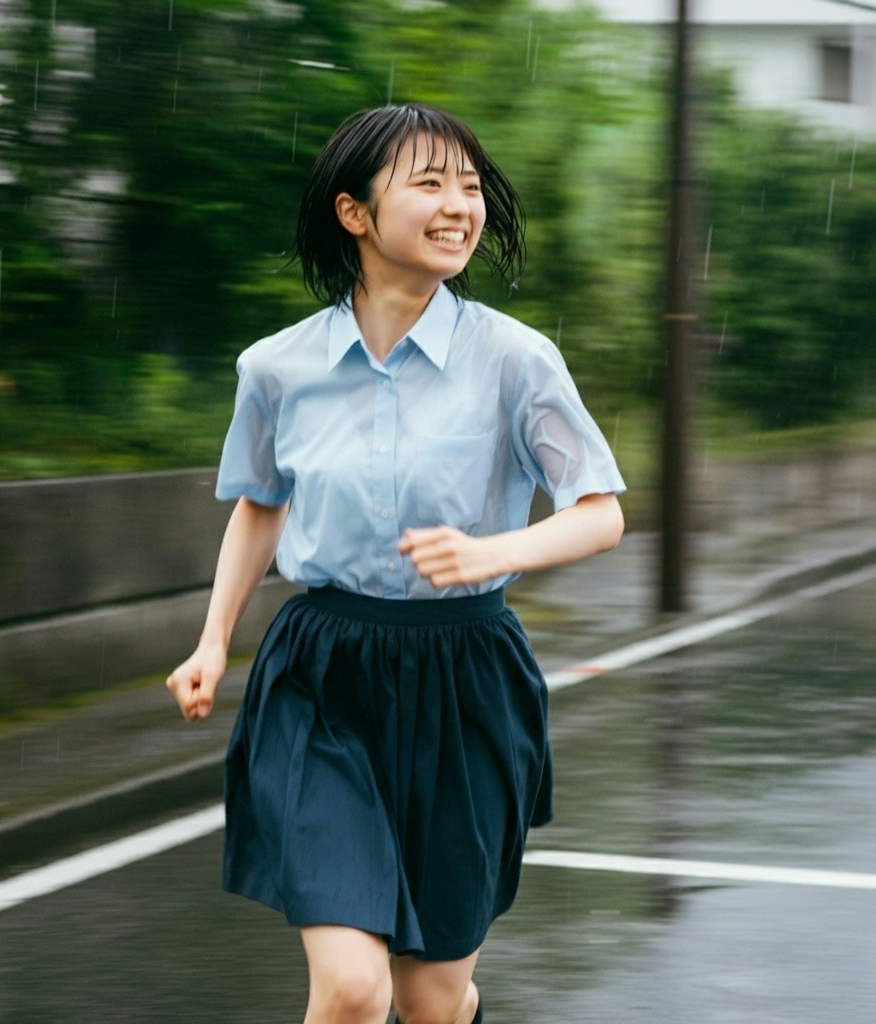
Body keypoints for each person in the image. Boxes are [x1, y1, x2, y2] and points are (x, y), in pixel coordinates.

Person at [166, 103, 625, 1024]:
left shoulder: (515, 360)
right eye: (429, 183)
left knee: (429, 998)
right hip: (323, 677)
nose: (459, 205)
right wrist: (214, 641)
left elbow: (600, 513)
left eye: (470, 187)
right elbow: (262, 505)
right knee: (350, 988)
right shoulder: (277, 368)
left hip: (467, 676)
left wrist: (495, 551)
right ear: (355, 214)